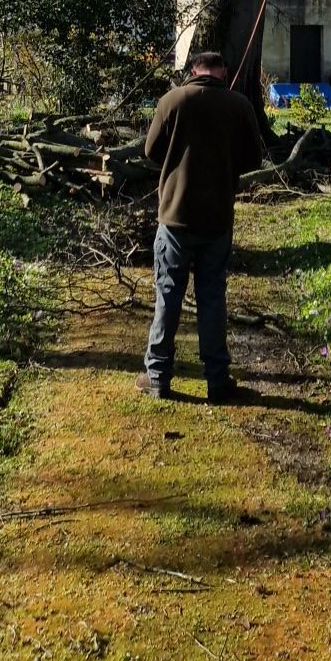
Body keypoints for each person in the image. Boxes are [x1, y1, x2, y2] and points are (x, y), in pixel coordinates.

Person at [139, 50, 263, 402]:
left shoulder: (171, 100)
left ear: (193, 70)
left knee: (167, 296)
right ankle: (217, 381)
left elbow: (150, 151)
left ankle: (158, 378)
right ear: (222, 72)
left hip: (175, 218)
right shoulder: (239, 106)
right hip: (217, 219)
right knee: (212, 300)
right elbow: (253, 158)